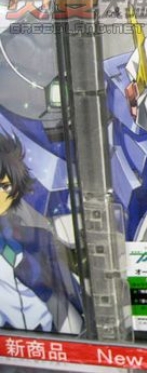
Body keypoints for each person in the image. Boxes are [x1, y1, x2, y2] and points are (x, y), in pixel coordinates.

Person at [0, 133, 83, 333]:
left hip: (44, 332)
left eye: (5, 186)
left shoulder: (36, 239)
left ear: (16, 189)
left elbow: (61, 298)